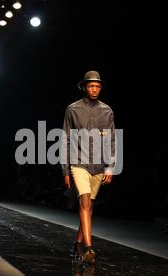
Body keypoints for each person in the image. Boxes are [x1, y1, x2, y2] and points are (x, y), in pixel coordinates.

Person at [61, 71, 116, 264]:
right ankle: (88, 248)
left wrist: (111, 166)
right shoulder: (72, 109)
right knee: (84, 201)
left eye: (98, 86)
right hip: (79, 162)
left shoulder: (107, 110)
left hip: (98, 164)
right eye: (91, 86)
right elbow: (65, 140)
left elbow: (111, 139)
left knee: (89, 206)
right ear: (84, 87)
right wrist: (65, 169)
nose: (95, 89)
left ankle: (77, 243)